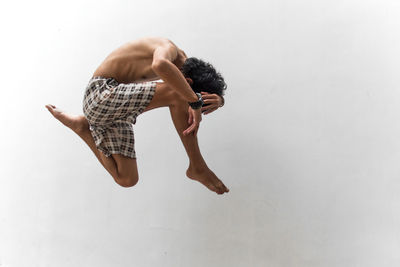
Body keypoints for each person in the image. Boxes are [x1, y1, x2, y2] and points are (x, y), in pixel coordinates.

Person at [45, 37, 229, 194]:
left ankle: (82, 127)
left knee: (127, 179)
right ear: (188, 81)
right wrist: (193, 101)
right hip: (100, 94)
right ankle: (197, 166)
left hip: (113, 112)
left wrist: (219, 100)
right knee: (178, 93)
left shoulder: (189, 69)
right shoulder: (169, 49)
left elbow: (191, 88)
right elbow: (160, 65)